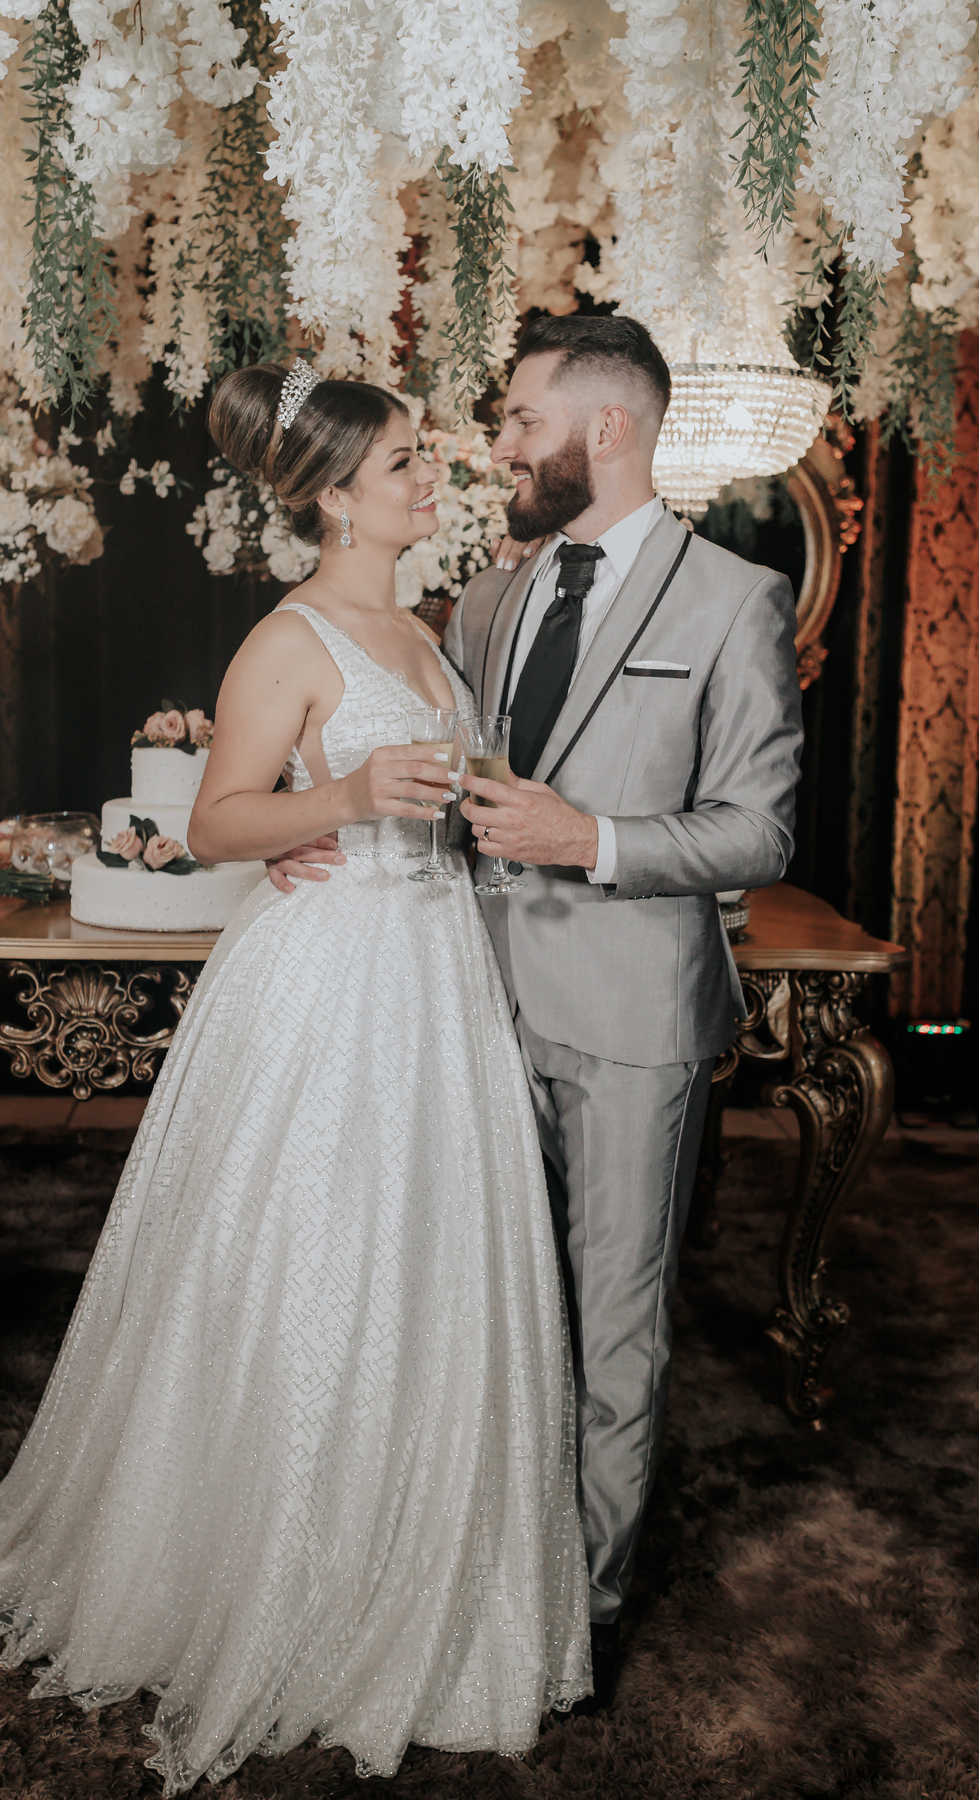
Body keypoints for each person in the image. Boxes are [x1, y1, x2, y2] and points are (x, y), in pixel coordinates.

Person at [0, 362, 591, 1796]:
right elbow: (217, 822)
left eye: (423, 456)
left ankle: (416, 1565)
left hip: (437, 971)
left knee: (433, 1260)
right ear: (335, 498)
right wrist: (335, 799)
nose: (431, 475)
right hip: (331, 977)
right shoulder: (288, 640)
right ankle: (278, 1569)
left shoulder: (424, 631)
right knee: (313, 1256)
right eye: (403, 462)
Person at [442, 313, 804, 1706]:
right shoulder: (488, 598)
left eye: (520, 421)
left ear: (608, 428)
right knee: (488, 1303)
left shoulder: (734, 598)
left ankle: (576, 1618)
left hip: (634, 1021)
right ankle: (477, 1557)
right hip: (471, 1004)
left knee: (615, 1323)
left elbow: (759, 831)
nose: (500, 446)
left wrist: (588, 839)